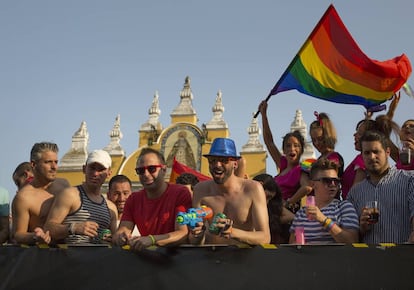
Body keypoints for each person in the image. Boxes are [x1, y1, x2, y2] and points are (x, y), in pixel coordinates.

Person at [189, 137, 270, 246]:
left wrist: (232, 232)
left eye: (224, 160)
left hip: (243, 258)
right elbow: (195, 242)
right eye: (212, 160)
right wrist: (197, 235)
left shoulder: (252, 189)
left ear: (235, 164)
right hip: (211, 258)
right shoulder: (200, 190)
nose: (217, 165)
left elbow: (264, 237)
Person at [112, 148, 192, 251]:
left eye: (152, 169)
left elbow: (182, 233)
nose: (146, 174)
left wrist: (152, 239)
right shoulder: (133, 199)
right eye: (140, 171)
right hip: (149, 260)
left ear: (164, 170)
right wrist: (121, 237)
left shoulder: (180, 193)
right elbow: (123, 229)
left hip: (177, 259)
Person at [347, 130, 414, 244]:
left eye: (376, 151)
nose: (372, 157)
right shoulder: (354, 193)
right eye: (367, 153)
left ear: (387, 152)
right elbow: (350, 237)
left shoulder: (409, 180)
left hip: (401, 258)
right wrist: (361, 228)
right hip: (368, 259)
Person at [44, 149, 118, 244]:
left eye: (101, 169)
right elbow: (48, 228)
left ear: (109, 173)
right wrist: (74, 228)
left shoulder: (111, 207)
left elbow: (116, 241)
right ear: (84, 169)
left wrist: (112, 239)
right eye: (92, 168)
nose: (95, 173)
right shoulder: (70, 195)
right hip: (71, 257)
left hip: (100, 258)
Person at [258, 101, 312, 212]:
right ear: (284, 150)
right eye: (288, 146)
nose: (292, 149)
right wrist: (264, 115)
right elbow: (269, 142)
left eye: (296, 146)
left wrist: (288, 203)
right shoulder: (283, 164)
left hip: (284, 214)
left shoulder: (300, 169)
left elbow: (307, 187)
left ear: (301, 150)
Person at [289, 158, 359, 244]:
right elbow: (291, 246)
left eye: (336, 181)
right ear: (312, 184)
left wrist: (324, 220)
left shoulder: (344, 207)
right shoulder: (301, 214)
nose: (333, 184)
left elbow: (352, 241)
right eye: (327, 181)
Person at [11, 142, 69, 245]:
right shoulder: (23, 198)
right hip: (42, 256)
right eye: (48, 162)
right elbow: (18, 234)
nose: (54, 167)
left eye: (56, 162)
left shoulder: (64, 185)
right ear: (33, 164)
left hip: (70, 254)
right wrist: (35, 236)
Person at [341, 113, 400, 199]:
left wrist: (346, 209)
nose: (354, 135)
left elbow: (355, 194)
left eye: (359, 133)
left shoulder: (362, 159)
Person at [253, 174, 294, 244]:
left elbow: (291, 216)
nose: (267, 202)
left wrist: (268, 222)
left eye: (270, 198)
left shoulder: (270, 207)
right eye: (267, 196)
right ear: (259, 186)